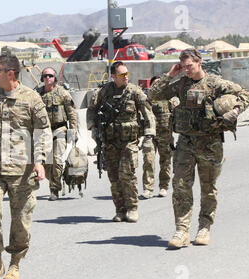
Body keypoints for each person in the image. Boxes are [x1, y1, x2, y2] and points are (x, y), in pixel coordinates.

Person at [149, 48, 249, 248]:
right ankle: (181, 230)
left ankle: (204, 227)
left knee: (208, 188)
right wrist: (171, 74)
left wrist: (236, 110)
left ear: (199, 63)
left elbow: (245, 94)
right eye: (183, 67)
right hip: (185, 143)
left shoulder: (215, 83)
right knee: (180, 186)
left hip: (210, 143)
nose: (187, 70)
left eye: (190, 66)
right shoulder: (180, 84)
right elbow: (154, 94)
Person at [0, 54, 51, 279]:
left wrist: (39, 161)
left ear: (10, 74)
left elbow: (43, 132)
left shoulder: (31, 98)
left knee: (21, 220)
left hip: (22, 170)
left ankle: (15, 263)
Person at [87, 61, 155, 223]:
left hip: (129, 142)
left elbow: (148, 113)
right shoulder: (103, 92)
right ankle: (120, 209)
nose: (126, 77)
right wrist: (92, 127)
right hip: (109, 141)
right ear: (113, 76)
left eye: (127, 74)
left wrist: (149, 135)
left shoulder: (134, 92)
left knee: (127, 175)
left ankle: (132, 208)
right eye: (122, 75)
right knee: (114, 177)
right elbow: (91, 110)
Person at [36, 67, 78, 201]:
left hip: (60, 130)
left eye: (50, 76)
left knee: (57, 159)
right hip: (43, 131)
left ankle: (54, 189)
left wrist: (73, 130)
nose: (48, 78)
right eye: (45, 76)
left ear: (55, 78)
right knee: (46, 162)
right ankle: (55, 178)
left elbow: (72, 112)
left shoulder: (62, 93)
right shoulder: (37, 94)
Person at [141, 75, 175, 199]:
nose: (158, 86)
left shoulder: (171, 100)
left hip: (166, 136)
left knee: (165, 162)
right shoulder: (146, 99)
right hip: (151, 135)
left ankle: (164, 186)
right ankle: (148, 188)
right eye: (155, 84)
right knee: (148, 162)